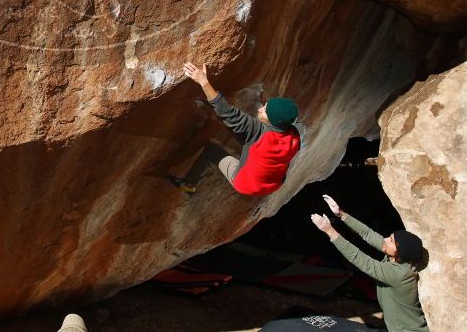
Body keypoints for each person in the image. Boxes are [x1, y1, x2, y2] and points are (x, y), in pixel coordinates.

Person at [174, 61, 301, 196]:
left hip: (246, 184)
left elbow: (227, 113)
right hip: (274, 184)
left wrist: (203, 81)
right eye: (265, 105)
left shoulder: (259, 133)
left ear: (274, 122)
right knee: (243, 134)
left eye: (264, 111)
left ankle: (189, 185)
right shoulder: (294, 136)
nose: (260, 109)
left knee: (211, 150)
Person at [311, 194, 429, 332]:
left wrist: (330, 231)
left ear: (399, 253)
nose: (385, 239)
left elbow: (360, 259)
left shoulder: (399, 274)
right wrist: (341, 214)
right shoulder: (397, 258)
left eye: (390, 241)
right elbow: (367, 234)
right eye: (389, 237)